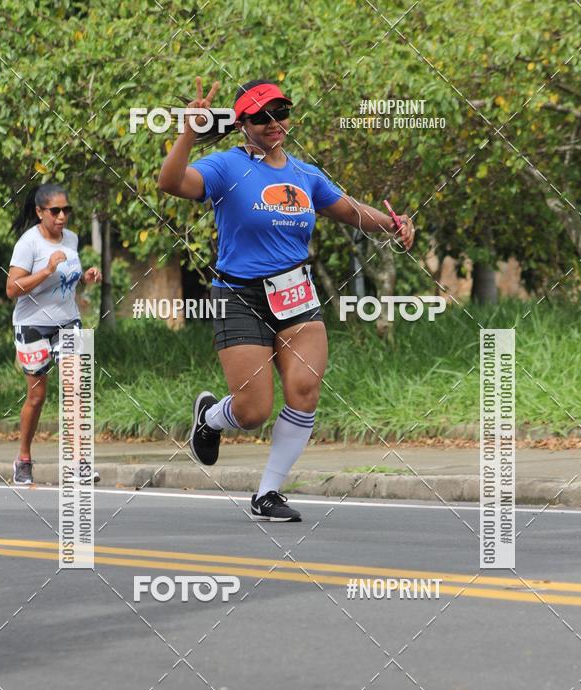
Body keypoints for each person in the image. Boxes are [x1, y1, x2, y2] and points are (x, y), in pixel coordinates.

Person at [158, 77, 414, 521]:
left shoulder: (305, 175)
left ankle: (267, 494)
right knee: (254, 411)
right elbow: (170, 182)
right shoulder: (224, 167)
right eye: (262, 116)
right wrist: (188, 133)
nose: (274, 122)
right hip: (240, 295)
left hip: (296, 293)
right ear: (243, 124)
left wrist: (392, 224)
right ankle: (211, 418)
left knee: (305, 390)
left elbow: (352, 210)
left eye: (281, 112)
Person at [6, 183, 102, 485]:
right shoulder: (28, 243)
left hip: (68, 321)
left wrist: (85, 279)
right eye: (55, 210)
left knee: (75, 390)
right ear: (39, 212)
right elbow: (11, 289)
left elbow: (68, 282)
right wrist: (46, 270)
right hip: (32, 324)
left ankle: (78, 463)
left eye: (66, 210)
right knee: (37, 396)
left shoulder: (71, 239)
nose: (62, 216)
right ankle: (23, 458)